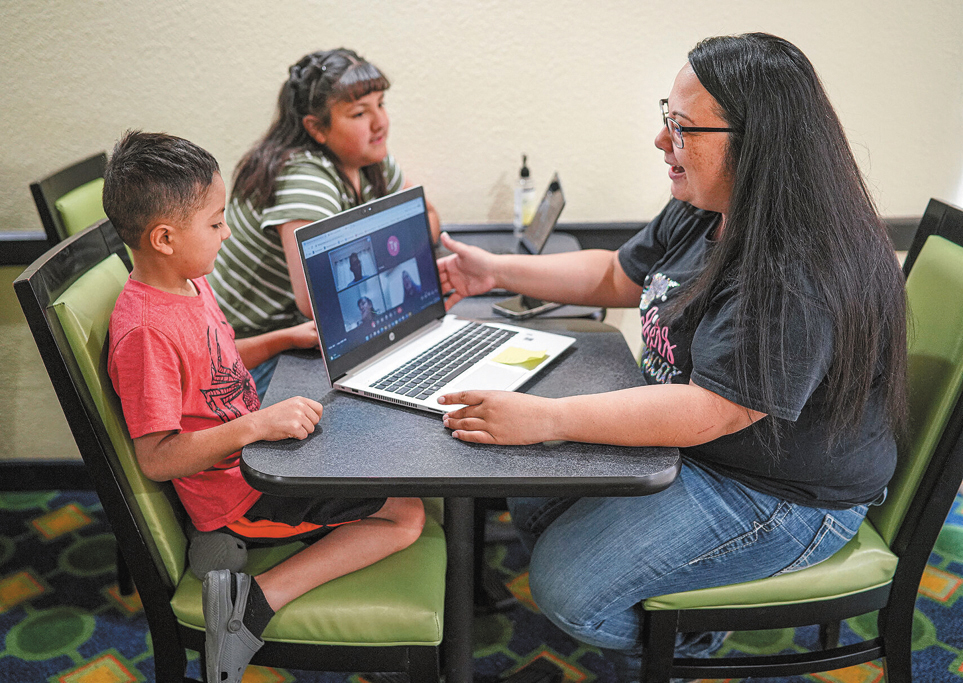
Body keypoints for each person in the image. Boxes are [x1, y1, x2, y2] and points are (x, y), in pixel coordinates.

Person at [435, 33, 907, 672]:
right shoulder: (707, 203)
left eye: (682, 129)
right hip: (704, 443)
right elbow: (616, 276)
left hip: (780, 490)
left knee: (565, 590)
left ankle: (691, 637)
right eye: (668, 118)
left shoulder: (795, 266)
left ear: (756, 142)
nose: (662, 141)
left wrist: (547, 417)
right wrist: (495, 271)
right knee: (532, 493)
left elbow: (715, 410)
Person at [103, 131, 425, 683]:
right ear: (164, 238)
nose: (227, 233)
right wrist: (257, 424)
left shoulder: (188, 283)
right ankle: (253, 604)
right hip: (239, 492)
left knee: (384, 449)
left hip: (258, 456)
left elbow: (218, 363)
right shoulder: (145, 332)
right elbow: (157, 458)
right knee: (407, 512)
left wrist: (282, 339)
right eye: (215, 223)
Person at [209, 48, 440, 396]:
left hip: (301, 331)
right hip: (250, 351)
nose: (380, 122)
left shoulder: (368, 159)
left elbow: (428, 217)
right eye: (360, 113)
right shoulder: (304, 179)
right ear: (316, 128)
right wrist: (391, 248)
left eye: (381, 104)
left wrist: (381, 252)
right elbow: (317, 301)